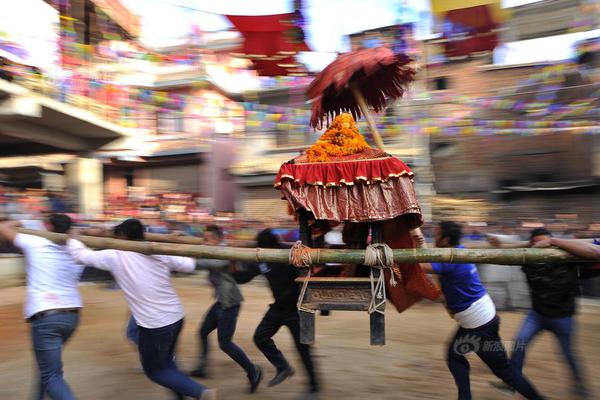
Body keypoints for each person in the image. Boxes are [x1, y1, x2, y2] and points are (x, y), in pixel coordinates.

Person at [66, 218, 216, 400]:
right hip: (176, 317)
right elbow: (188, 264)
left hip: (155, 325)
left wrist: (72, 238)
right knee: (168, 363)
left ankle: (201, 392)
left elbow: (82, 255)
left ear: (122, 236)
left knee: (154, 371)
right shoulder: (157, 250)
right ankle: (182, 395)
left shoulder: (115, 255)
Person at [419, 221, 546, 400]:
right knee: (455, 355)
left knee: (504, 371)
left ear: (446, 240)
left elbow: (418, 267)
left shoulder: (450, 259)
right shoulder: (458, 250)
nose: (434, 235)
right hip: (479, 320)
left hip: (479, 324)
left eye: (437, 233)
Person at [491, 228, 592, 399]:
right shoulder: (528, 259)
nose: (542, 246)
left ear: (552, 241)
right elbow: (506, 254)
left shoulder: (567, 256)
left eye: (546, 242)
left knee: (568, 354)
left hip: (562, 316)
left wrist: (554, 242)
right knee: (520, 344)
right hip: (537, 314)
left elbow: (595, 252)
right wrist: (502, 244)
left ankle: (581, 387)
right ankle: (511, 383)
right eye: (538, 242)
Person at [0, 214, 83, 400]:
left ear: (47, 226)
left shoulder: (35, 241)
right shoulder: (75, 248)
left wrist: (22, 221)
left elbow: (3, 227)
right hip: (72, 316)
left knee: (51, 376)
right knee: (45, 367)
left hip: (46, 317)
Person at [232, 229, 320, 399]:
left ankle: (314, 387)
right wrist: (232, 263)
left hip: (297, 309)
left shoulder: (289, 255)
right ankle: (283, 367)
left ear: (269, 244)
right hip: (278, 309)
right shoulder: (262, 259)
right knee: (260, 337)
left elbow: (301, 280)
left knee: (303, 350)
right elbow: (244, 277)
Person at [190, 224, 262, 393]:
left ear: (216, 239)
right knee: (202, 332)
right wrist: (202, 248)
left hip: (229, 303)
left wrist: (195, 252)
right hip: (221, 302)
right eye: (204, 239)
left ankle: (253, 370)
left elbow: (204, 262)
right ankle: (202, 367)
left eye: (207, 239)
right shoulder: (213, 249)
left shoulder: (224, 251)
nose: (205, 242)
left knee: (225, 343)